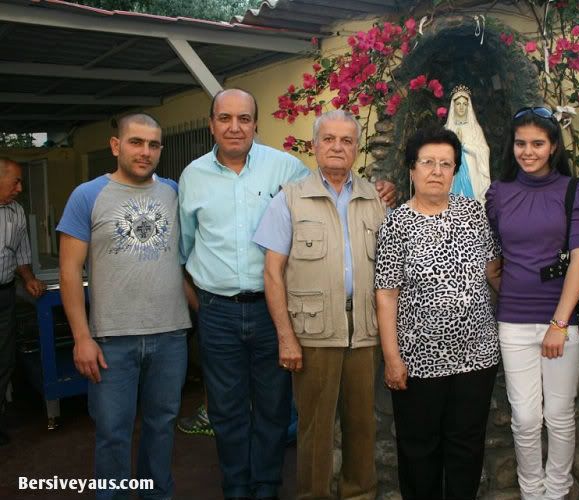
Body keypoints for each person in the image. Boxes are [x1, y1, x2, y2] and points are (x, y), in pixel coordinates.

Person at [179, 88, 395, 500]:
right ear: (211, 125)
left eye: (244, 118)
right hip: (222, 311)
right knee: (227, 410)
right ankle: (237, 488)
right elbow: (186, 248)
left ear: (256, 125)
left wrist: (383, 188)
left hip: (279, 312)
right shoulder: (195, 177)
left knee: (276, 410)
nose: (235, 127)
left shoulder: (289, 170)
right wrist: (201, 302)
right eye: (225, 118)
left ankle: (267, 488)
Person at [58, 113, 192, 499]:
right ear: (116, 146)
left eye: (153, 144)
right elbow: (69, 272)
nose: (145, 151)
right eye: (136, 142)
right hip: (111, 340)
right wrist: (82, 338)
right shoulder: (87, 195)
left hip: (170, 335)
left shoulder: (173, 192)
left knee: (161, 427)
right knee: (113, 433)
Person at [255, 110, 385, 500]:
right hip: (313, 333)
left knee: (362, 426)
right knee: (315, 430)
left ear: (357, 147)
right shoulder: (290, 199)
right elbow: (272, 273)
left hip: (364, 332)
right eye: (329, 139)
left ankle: (360, 494)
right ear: (314, 146)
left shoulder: (375, 199)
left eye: (346, 140)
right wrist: (286, 338)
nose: (337, 147)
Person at [375, 126, 501, 500]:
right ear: (412, 168)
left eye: (446, 164)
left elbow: (494, 271)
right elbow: (386, 295)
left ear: (455, 171)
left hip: (476, 357)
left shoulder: (473, 213)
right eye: (428, 162)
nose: (436, 171)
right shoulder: (396, 223)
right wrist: (392, 358)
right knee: (418, 447)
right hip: (419, 360)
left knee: (467, 445)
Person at [485, 106, 579, 500]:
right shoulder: (498, 193)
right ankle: (532, 492)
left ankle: (556, 492)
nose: (527, 152)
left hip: (563, 321)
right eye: (520, 144)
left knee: (559, 415)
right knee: (526, 417)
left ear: (553, 147)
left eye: (537, 143)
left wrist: (559, 324)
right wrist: (509, 287)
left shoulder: (574, 190)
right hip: (513, 320)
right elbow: (493, 257)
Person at [0, 157, 45, 445]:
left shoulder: (16, 211)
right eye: (15, 181)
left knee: (4, 359)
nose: (19, 188)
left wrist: (28, 278)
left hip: (4, 294)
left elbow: (21, 253)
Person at [445, 85, 491, 204]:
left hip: (472, 172)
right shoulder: (447, 129)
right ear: (453, 106)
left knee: (472, 202)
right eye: (458, 104)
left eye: (464, 104)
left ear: (468, 106)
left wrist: (464, 145)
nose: (461, 107)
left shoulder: (475, 129)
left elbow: (484, 150)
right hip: (452, 172)